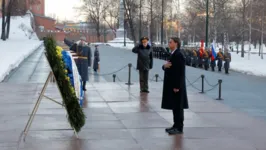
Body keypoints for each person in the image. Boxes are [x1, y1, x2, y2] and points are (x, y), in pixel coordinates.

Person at [161, 37, 189, 135]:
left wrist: (177, 86)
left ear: (176, 43)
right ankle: (175, 125)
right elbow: (169, 66)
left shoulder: (179, 55)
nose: (169, 44)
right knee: (174, 106)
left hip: (177, 86)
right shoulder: (173, 54)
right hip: (172, 84)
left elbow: (180, 72)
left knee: (178, 107)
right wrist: (164, 66)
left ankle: (179, 127)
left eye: (171, 42)